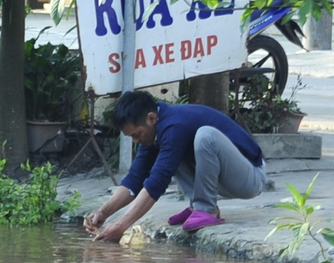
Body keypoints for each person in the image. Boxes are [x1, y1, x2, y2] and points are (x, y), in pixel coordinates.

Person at [84, 90, 266, 242]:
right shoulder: (155, 132)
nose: (136, 140)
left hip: (250, 179)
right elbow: (135, 179)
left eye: (136, 134)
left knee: (205, 136)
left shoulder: (174, 126)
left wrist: (121, 226)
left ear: (151, 118)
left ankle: (207, 209)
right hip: (227, 179)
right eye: (132, 137)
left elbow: (156, 184)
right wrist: (103, 212)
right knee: (170, 155)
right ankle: (197, 206)